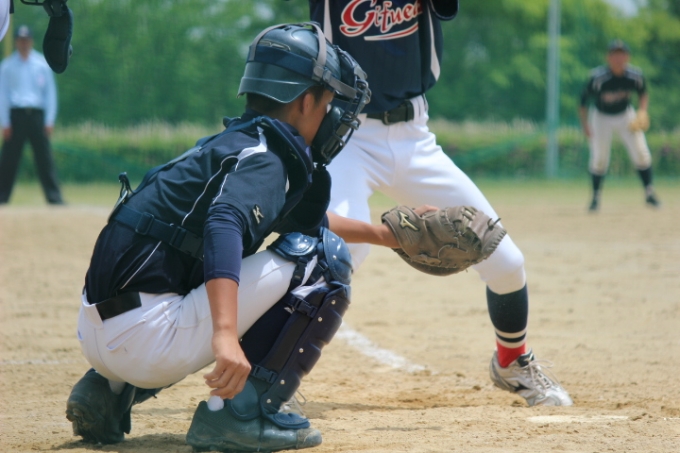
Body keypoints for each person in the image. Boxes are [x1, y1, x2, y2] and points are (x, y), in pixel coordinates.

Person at [63, 22, 415, 452]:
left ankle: (107, 391)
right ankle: (238, 415)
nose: (333, 116)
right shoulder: (266, 159)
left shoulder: (235, 146)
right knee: (323, 259)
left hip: (99, 335)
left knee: (291, 248)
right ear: (306, 101)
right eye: (329, 103)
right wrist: (225, 335)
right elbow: (225, 223)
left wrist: (385, 235)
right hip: (147, 341)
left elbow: (303, 220)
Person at [307, 1, 573, 406]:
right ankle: (270, 373)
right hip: (348, 136)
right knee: (338, 252)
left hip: (415, 138)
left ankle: (511, 363)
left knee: (505, 260)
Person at [579, 39, 659, 212]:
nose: (618, 58)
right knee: (599, 157)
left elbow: (643, 93)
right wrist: (585, 124)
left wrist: (642, 111)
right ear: (608, 57)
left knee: (641, 152)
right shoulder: (598, 77)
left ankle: (649, 193)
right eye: (615, 54)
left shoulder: (634, 75)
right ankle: (595, 198)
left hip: (625, 115)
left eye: (622, 54)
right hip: (601, 117)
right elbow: (583, 102)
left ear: (627, 57)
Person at [0, 24, 64, 205]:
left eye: (26, 40)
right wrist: (5, 122)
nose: (24, 43)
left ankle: (54, 197)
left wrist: (49, 120)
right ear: (16, 42)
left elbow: (50, 94)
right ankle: (2, 196)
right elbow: (2, 96)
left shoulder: (42, 64)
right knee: (8, 159)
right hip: (16, 115)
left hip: (37, 116)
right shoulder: (7, 66)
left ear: (31, 41)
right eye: (21, 40)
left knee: (44, 158)